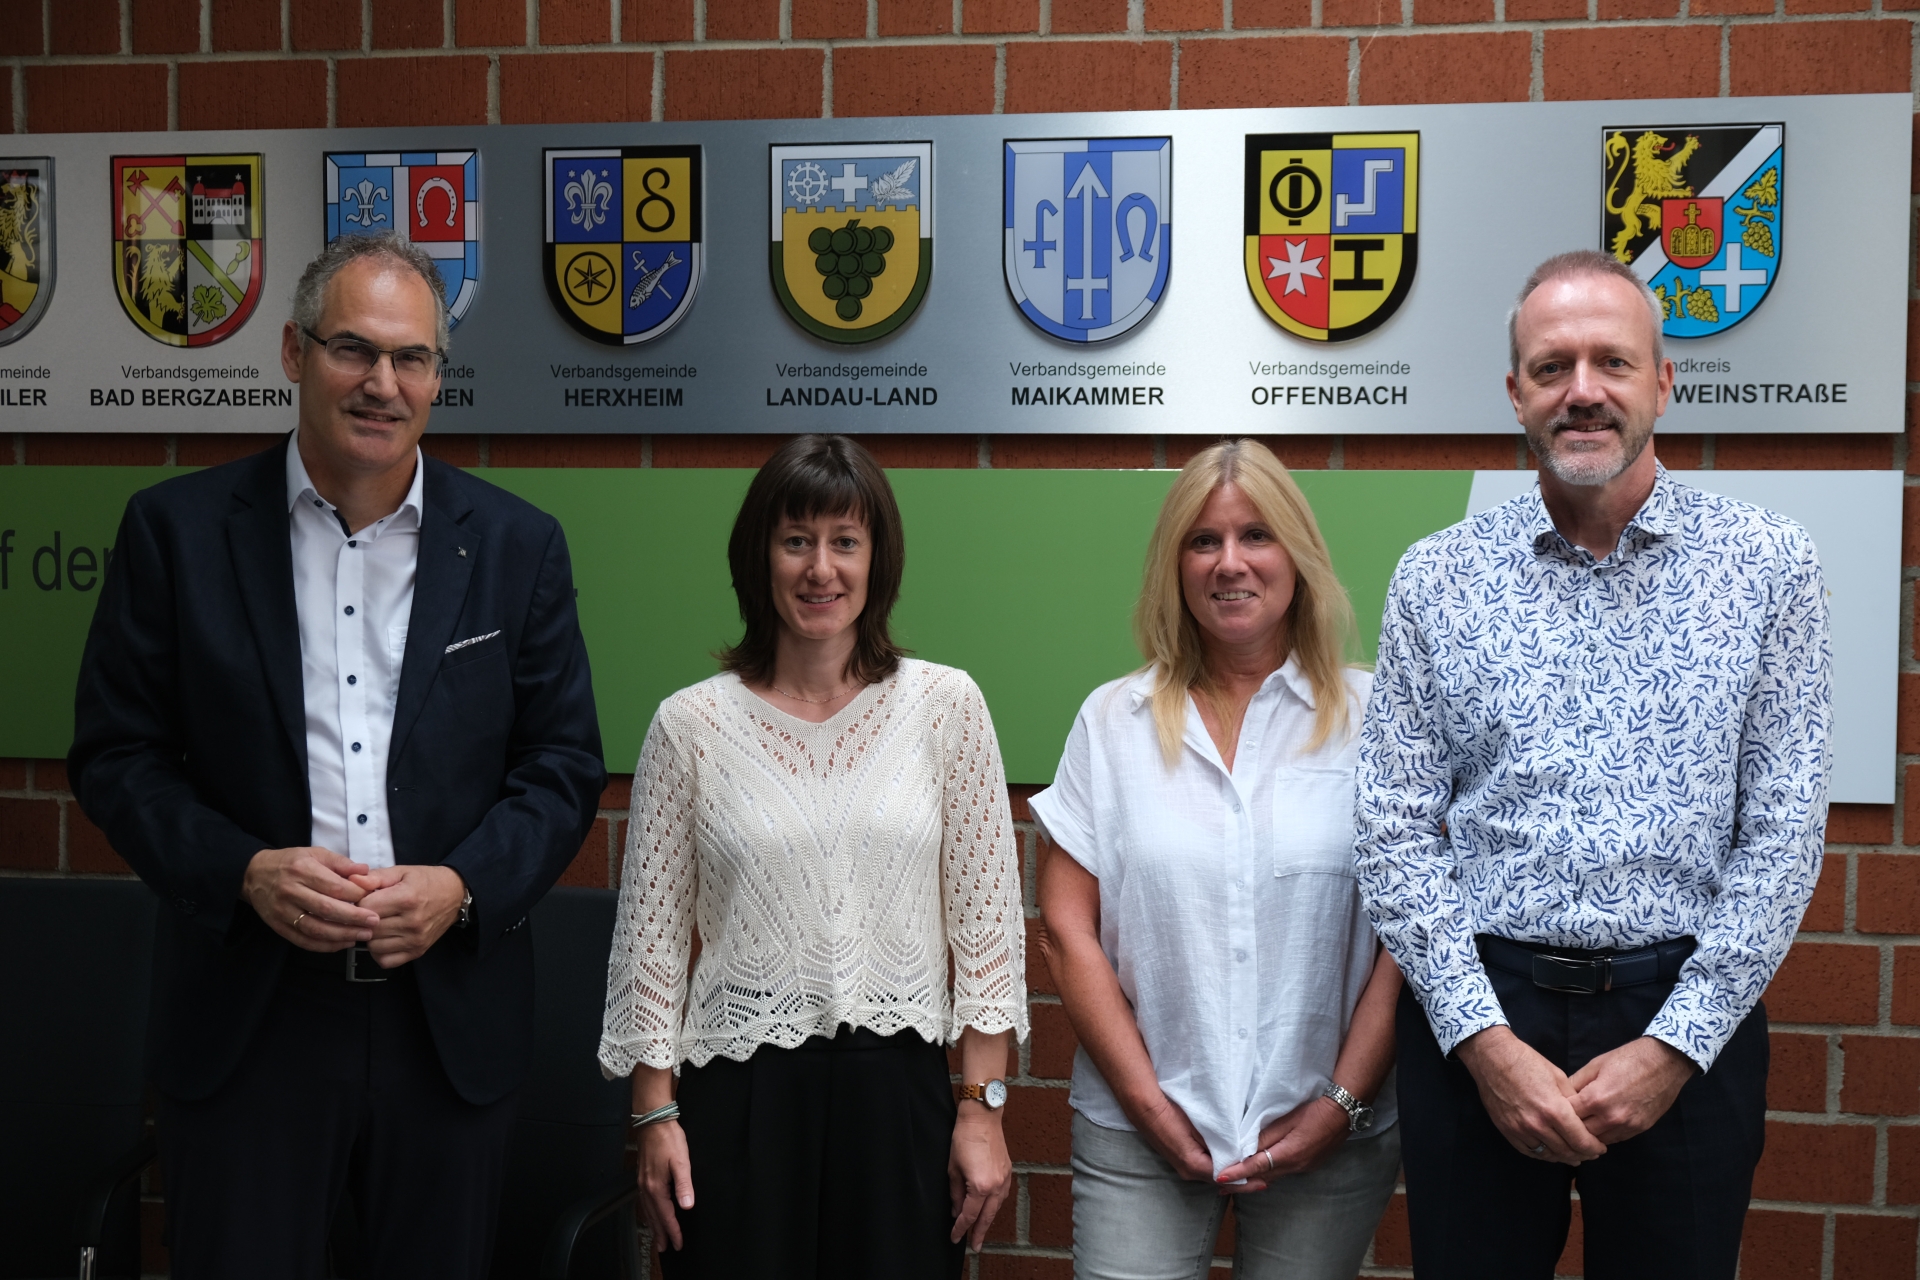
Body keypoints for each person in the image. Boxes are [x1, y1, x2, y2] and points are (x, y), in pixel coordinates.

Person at [68, 231, 606, 1278]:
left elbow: (560, 764)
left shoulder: (514, 545)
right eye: (352, 348)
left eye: (412, 359)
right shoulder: (175, 532)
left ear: (438, 379)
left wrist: (459, 886)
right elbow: (117, 753)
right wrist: (242, 869)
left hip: (443, 1019)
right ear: (291, 352)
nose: (382, 382)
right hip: (251, 1015)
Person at [1355, 249, 1832, 1280]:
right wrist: (1481, 1038)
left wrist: (1676, 1043)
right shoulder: (1436, 577)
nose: (1583, 390)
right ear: (1515, 391)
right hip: (1483, 1010)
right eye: (1552, 364)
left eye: (1612, 361)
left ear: (1664, 381)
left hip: (1684, 1014)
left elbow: (1786, 828)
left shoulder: (1769, 564)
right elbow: (1393, 827)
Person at [598, 433, 1028, 1278]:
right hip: (739, 1102)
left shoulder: (946, 707)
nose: (820, 568)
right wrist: (654, 1118)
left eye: (844, 542)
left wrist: (983, 1109)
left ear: (879, 560)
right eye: (795, 541)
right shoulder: (690, 726)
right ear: (759, 557)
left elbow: (987, 936)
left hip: (897, 1100)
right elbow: (649, 945)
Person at [1032, 439, 1403, 1280]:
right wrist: (1146, 1104)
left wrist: (1342, 1104)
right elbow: (1065, 929)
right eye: (1203, 541)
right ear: (1176, 565)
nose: (1229, 562)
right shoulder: (1111, 721)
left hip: (1327, 1135)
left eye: (1256, 536)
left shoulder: (1373, 716)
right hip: (1139, 1137)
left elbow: (1407, 937)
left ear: (1298, 556)